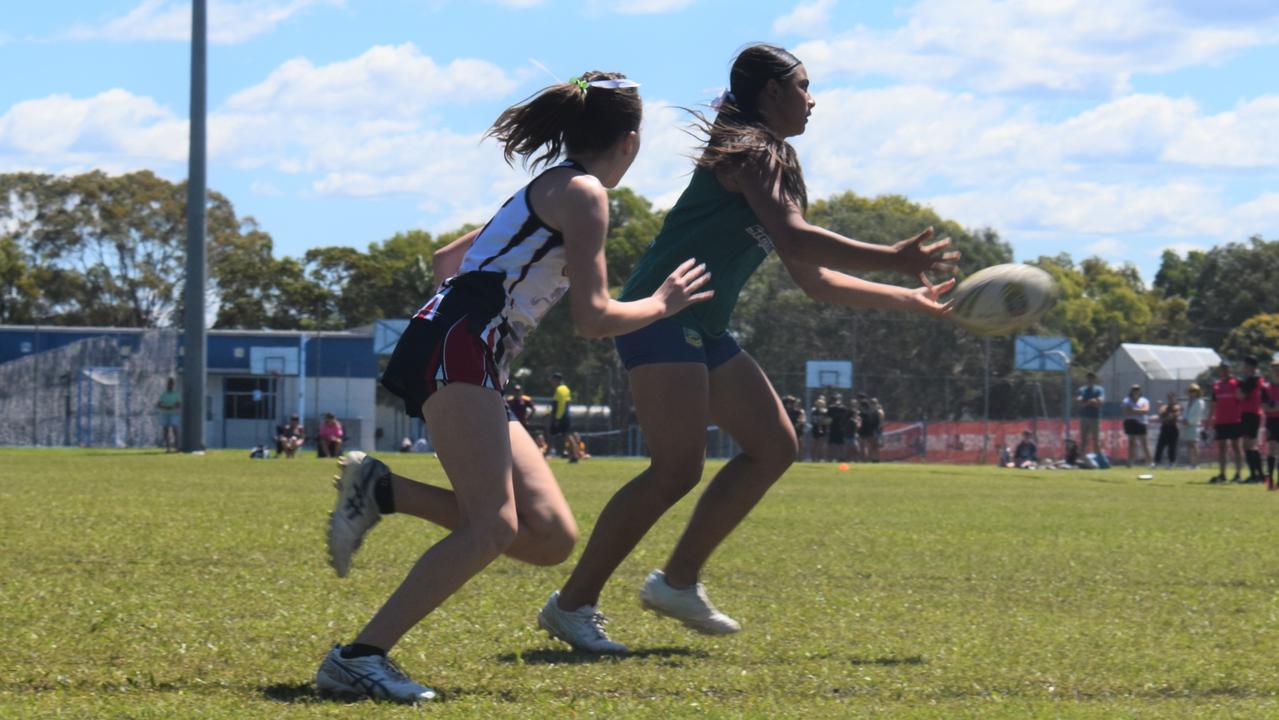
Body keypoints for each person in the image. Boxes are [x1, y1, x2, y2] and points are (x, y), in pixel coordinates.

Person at [535, 44, 957, 654]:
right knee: (676, 468)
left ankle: (677, 582)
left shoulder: (771, 160)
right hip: (660, 313)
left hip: (702, 326)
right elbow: (795, 237)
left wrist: (906, 298)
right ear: (770, 94)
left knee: (774, 445)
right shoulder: (752, 150)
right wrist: (893, 258)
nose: (814, 99)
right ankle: (572, 605)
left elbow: (813, 278)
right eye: (804, 86)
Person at [314, 71, 713, 703]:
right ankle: (358, 657)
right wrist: (662, 303)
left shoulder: (547, 187)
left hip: (462, 346)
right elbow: (593, 318)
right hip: (461, 347)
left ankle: (382, 489)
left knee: (549, 535)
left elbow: (448, 263)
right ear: (630, 141)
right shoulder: (584, 194)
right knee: (493, 527)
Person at [1208, 361, 1244, 483]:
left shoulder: (1236, 383)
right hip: (1221, 420)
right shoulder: (1216, 385)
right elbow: (1213, 404)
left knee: (1236, 447)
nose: (1224, 371)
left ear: (1229, 369)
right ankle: (1222, 473)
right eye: (1222, 369)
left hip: (1234, 420)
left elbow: (1242, 399)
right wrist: (1209, 421)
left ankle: (1238, 473)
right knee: (1222, 448)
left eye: (1226, 368)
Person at [1238, 355, 1266, 482]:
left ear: (1250, 366)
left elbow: (1241, 396)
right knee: (1249, 444)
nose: (1243, 367)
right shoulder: (1254, 378)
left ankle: (1257, 475)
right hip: (1250, 413)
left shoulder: (1253, 379)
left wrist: (1239, 387)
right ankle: (1257, 474)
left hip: (1251, 413)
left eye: (1245, 364)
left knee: (1249, 444)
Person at [547, 372, 580, 462]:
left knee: (554, 435)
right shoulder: (565, 389)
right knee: (566, 436)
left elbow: (561, 405)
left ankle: (546, 455)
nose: (552, 382)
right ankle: (574, 456)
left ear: (557, 380)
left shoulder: (560, 390)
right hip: (564, 416)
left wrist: (557, 419)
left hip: (561, 417)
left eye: (553, 380)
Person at [1121, 385, 1152, 468]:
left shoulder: (1144, 400)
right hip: (1130, 422)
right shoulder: (1126, 400)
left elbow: (1145, 410)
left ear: (1140, 391)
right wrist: (1139, 410)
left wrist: (1134, 410)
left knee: (1144, 443)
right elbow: (1126, 411)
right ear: (1131, 391)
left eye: (1137, 389)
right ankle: (1130, 462)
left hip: (1141, 423)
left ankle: (1150, 462)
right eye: (1134, 389)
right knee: (1132, 443)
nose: (1135, 391)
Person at [1076, 371, 1104, 458]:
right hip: (1084, 417)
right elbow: (1079, 401)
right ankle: (1082, 458)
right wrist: (1092, 401)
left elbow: (1100, 401)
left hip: (1095, 417)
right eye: (1088, 378)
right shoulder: (1082, 389)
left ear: (1094, 379)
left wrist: (1087, 402)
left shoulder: (1099, 389)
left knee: (1096, 439)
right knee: (1083, 439)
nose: (1090, 379)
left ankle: (1098, 459)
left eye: (1092, 377)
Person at [1153, 391, 1181, 468]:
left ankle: (1171, 462)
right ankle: (1156, 462)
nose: (1170, 399)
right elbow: (1161, 416)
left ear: (1174, 398)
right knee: (1160, 445)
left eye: (1172, 397)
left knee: (1172, 446)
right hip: (1164, 428)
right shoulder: (1164, 407)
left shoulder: (1177, 407)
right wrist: (1160, 409)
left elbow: (1173, 416)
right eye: (1169, 398)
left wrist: (1165, 418)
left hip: (1173, 428)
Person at [1182, 383, 1206, 469]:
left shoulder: (1200, 402)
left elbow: (1197, 415)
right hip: (1187, 425)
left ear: (1197, 392)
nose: (1192, 393)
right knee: (1189, 444)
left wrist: (1189, 421)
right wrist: (1184, 419)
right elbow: (1185, 412)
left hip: (1194, 425)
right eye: (1190, 391)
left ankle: (1196, 464)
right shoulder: (1189, 402)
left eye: (1194, 391)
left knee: (1194, 444)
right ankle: (1191, 463)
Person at [156, 377, 181, 453]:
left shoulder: (176, 394)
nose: (170, 385)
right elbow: (159, 404)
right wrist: (165, 407)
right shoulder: (164, 394)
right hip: (165, 414)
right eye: (169, 383)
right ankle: (168, 448)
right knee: (166, 431)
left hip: (174, 415)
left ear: (173, 385)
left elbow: (179, 405)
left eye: (172, 384)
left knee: (175, 430)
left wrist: (172, 407)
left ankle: (177, 447)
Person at [1266, 361, 1279, 489]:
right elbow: (1265, 407)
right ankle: (1270, 478)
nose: (1276, 371)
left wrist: (1274, 406)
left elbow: (1271, 406)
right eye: (1274, 369)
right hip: (1271, 421)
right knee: (1272, 448)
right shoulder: (1267, 388)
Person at [858, 395, 883, 463]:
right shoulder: (873, 412)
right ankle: (874, 459)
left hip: (865, 432)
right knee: (872, 446)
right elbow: (877, 423)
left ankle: (866, 459)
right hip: (871, 432)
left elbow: (877, 422)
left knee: (865, 446)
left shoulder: (862, 413)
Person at [825, 394, 850, 462]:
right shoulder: (831, 409)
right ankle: (831, 459)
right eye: (834, 400)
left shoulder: (843, 409)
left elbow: (847, 419)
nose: (835, 401)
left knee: (841, 445)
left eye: (836, 400)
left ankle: (842, 458)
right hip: (833, 429)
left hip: (841, 429)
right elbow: (827, 419)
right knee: (831, 445)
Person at [808, 395, 828, 462]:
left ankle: (821, 459)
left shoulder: (825, 411)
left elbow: (826, 421)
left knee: (821, 445)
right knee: (815, 444)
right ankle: (813, 458)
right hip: (815, 429)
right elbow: (813, 420)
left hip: (823, 428)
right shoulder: (814, 410)